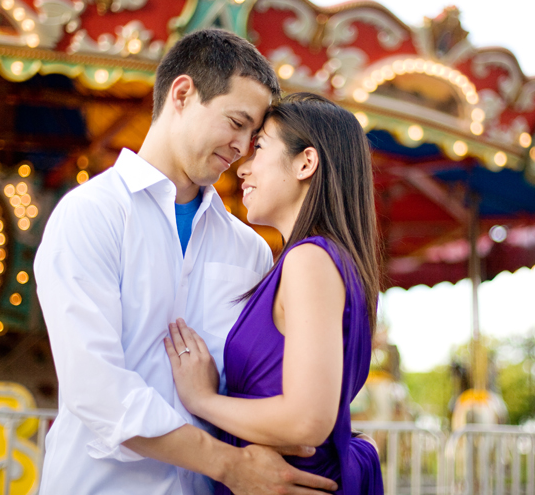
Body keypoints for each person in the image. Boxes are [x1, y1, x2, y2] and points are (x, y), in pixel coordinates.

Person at [35, 30, 337, 495]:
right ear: (182, 94)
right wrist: (229, 465)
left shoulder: (250, 248)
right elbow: (94, 386)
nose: (241, 147)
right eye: (236, 122)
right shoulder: (90, 214)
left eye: (254, 137)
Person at [165, 93, 385, 494]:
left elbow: (307, 421)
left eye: (260, 147)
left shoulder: (310, 260)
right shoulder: (323, 261)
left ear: (306, 162)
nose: (243, 169)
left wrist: (202, 399)